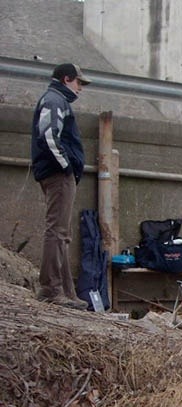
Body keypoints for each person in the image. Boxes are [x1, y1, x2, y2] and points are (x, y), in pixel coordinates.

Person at [31, 63, 92, 309]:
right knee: (56, 231)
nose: (81, 89)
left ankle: (66, 292)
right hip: (58, 175)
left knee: (62, 233)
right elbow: (47, 135)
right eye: (79, 83)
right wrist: (66, 166)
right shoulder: (54, 100)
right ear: (67, 79)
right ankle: (50, 289)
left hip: (60, 175)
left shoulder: (57, 100)